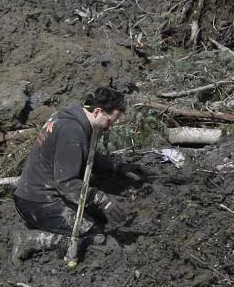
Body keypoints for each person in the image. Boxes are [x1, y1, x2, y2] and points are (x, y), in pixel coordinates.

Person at [10, 86, 142, 262]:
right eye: (110, 121)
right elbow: (67, 183)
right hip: (39, 202)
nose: (109, 128)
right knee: (95, 237)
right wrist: (101, 199)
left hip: (32, 193)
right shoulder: (72, 132)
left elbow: (85, 155)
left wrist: (117, 167)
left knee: (99, 218)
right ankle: (32, 240)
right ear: (97, 112)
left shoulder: (71, 117)